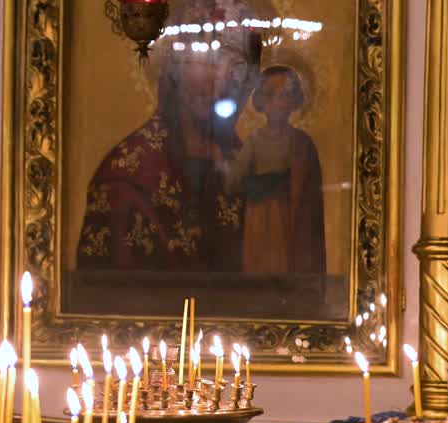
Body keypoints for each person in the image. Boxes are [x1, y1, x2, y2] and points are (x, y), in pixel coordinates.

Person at [76, 8, 260, 272]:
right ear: (173, 71)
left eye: (235, 68)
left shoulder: (249, 168)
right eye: (205, 61)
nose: (217, 82)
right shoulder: (125, 177)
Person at [225, 65, 326, 274]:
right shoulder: (255, 141)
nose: (278, 103)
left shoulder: (301, 142)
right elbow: (233, 182)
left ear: (294, 101)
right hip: (259, 221)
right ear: (262, 101)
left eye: (285, 95)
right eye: (271, 95)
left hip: (291, 222)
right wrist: (262, 184)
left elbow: (310, 194)